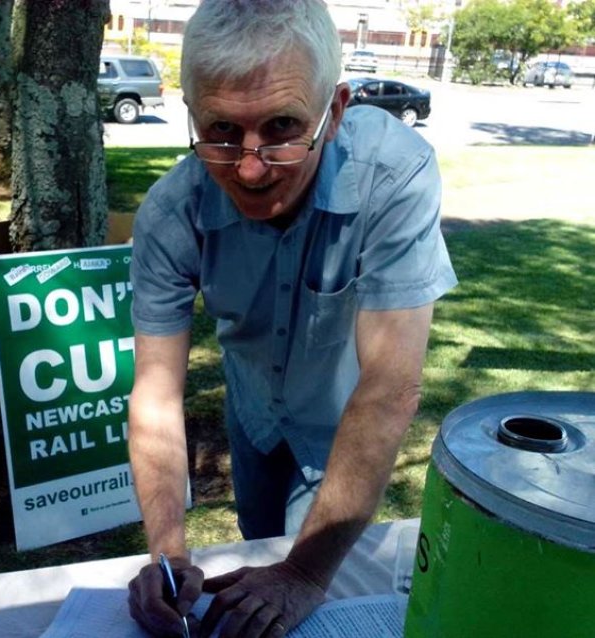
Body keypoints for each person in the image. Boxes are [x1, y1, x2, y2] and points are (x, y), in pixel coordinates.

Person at [126, 1, 457, 636]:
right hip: (253, 413)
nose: (249, 167)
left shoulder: (395, 176)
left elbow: (391, 387)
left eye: (281, 126)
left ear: (334, 111)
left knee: (308, 596)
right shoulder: (171, 213)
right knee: (258, 554)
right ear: (191, 114)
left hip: (343, 426)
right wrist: (167, 556)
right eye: (221, 130)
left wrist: (303, 575)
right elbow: (157, 392)